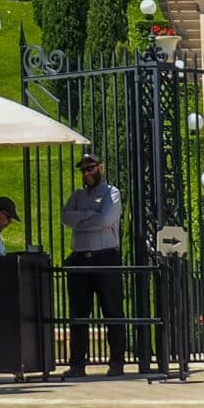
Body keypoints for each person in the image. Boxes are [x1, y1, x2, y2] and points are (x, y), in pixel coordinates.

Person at [61, 153, 126, 375]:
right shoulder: (77, 195)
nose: (87, 173)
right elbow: (65, 217)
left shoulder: (112, 193)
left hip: (105, 256)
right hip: (80, 256)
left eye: (91, 168)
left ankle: (117, 362)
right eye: (84, 170)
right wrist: (91, 215)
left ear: (101, 167)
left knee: (112, 310)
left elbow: (106, 219)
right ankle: (77, 364)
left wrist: (82, 220)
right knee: (79, 314)